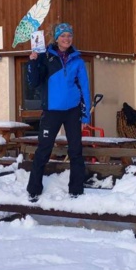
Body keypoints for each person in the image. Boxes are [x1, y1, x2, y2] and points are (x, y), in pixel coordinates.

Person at [26, 22, 91, 201]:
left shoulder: (77, 60)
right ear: (56, 38)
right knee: (44, 150)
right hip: (52, 111)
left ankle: (76, 190)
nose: (66, 38)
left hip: (72, 111)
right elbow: (33, 82)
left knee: (76, 150)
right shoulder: (45, 56)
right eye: (63, 36)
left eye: (69, 35)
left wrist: (86, 113)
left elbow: (84, 87)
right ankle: (33, 189)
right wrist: (32, 62)